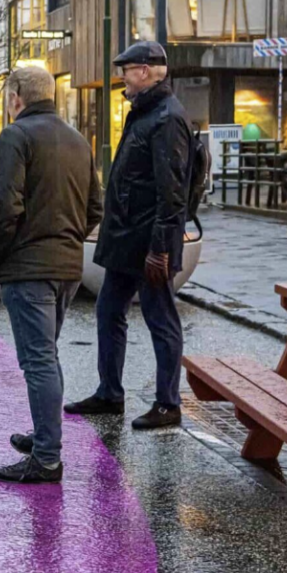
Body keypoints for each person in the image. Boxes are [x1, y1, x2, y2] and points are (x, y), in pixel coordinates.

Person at [65, 41, 193, 430]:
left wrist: (159, 250)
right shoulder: (145, 113)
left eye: (126, 69)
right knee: (108, 310)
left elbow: (172, 193)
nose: (122, 76)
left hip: (149, 243)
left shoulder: (166, 118)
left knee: (160, 318)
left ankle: (168, 404)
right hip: (128, 238)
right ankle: (109, 393)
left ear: (145, 71)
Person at [0, 66, 102, 484]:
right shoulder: (77, 140)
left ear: (16, 96)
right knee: (45, 357)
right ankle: (44, 435)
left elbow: (4, 206)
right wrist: (65, 240)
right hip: (66, 266)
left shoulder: (16, 136)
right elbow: (94, 210)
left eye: (6, 95)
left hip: (28, 267)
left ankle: (48, 458)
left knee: (38, 361)